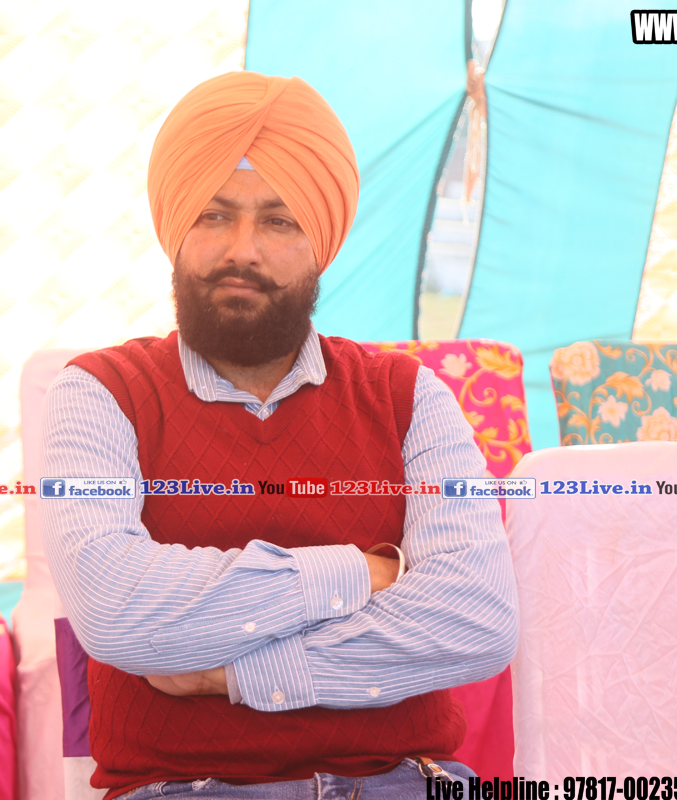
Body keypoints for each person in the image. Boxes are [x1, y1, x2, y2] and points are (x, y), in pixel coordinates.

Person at [41, 71, 518, 800]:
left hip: (404, 782)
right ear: (176, 230)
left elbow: (474, 619)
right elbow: (116, 612)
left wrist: (232, 674)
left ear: (319, 243)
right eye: (214, 215)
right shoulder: (101, 393)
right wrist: (359, 574)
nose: (243, 250)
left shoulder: (410, 398)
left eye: (278, 221)